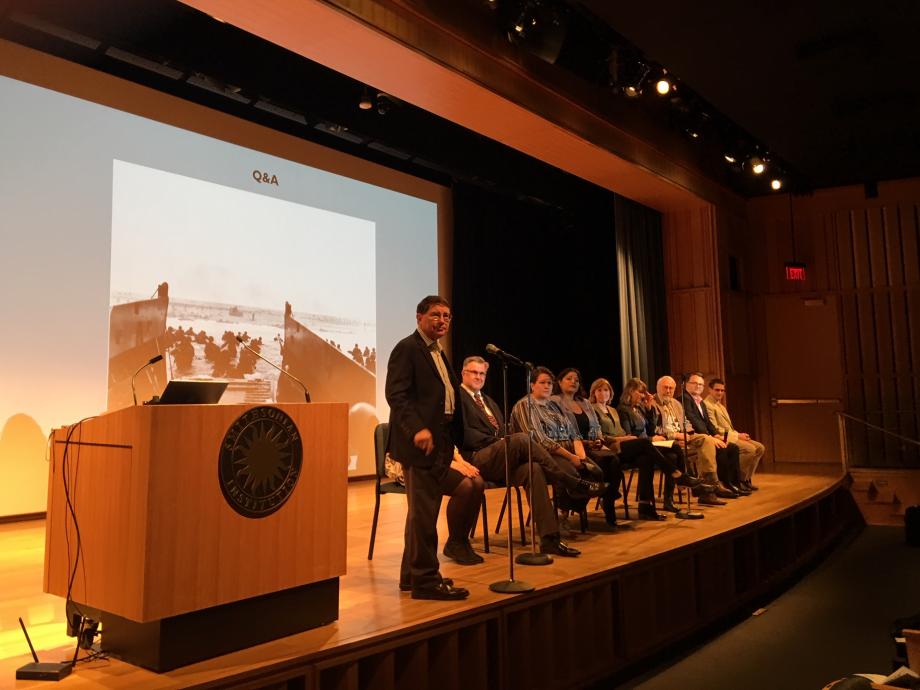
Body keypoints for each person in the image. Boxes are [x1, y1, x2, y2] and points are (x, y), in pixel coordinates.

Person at [458, 357, 607, 557]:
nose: (478, 377)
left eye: (482, 373)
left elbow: (503, 429)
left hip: (501, 458)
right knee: (521, 438)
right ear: (463, 374)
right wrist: (498, 440)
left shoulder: (488, 401)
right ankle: (569, 480)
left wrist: (502, 439)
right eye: (473, 372)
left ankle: (549, 539)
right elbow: (463, 434)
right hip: (475, 459)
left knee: (533, 469)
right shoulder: (458, 397)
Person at [385, 295, 481, 601]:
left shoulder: (439, 352)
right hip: (421, 445)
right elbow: (396, 395)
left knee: (422, 513)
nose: (443, 321)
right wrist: (418, 429)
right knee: (424, 516)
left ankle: (410, 576)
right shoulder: (408, 348)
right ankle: (426, 581)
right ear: (419, 317)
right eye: (436, 315)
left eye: (447, 316)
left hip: (440, 443)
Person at [512, 367, 624, 526]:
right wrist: (571, 457)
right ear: (532, 385)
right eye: (542, 382)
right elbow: (540, 439)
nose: (547, 386)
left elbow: (573, 432)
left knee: (598, 472)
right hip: (544, 454)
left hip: (569, 450)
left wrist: (580, 453)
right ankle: (560, 515)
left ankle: (571, 505)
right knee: (574, 473)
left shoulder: (553, 405)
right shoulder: (525, 405)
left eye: (549, 383)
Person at [589, 377, 704, 515]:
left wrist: (649, 409)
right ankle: (678, 475)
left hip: (633, 443)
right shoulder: (600, 409)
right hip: (615, 448)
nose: (604, 393)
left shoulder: (614, 409)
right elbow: (602, 436)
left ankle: (646, 505)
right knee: (646, 443)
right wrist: (627, 437)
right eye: (600, 390)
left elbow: (650, 428)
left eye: (606, 390)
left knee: (667, 453)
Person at [653, 376, 730, 505]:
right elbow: (654, 429)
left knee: (706, 439)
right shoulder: (652, 403)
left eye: (671, 388)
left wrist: (688, 433)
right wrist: (675, 436)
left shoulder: (676, 403)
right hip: (667, 440)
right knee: (700, 443)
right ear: (657, 388)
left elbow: (686, 422)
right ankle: (706, 492)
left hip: (684, 436)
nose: (668, 390)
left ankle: (711, 482)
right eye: (665, 387)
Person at [680, 372, 748, 496]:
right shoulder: (684, 399)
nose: (698, 386)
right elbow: (693, 420)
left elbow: (708, 422)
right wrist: (711, 437)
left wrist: (716, 434)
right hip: (694, 437)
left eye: (701, 384)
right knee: (721, 449)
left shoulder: (700, 401)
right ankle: (720, 484)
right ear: (686, 384)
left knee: (732, 447)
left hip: (706, 435)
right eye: (694, 383)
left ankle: (733, 483)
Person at [706, 378, 764, 491]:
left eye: (722, 390)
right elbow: (715, 429)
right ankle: (736, 480)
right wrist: (737, 436)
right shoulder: (707, 405)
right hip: (720, 438)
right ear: (710, 390)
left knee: (760, 448)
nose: (720, 393)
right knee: (750, 449)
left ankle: (745, 479)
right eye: (717, 390)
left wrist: (739, 434)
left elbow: (728, 427)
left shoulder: (720, 405)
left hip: (731, 435)